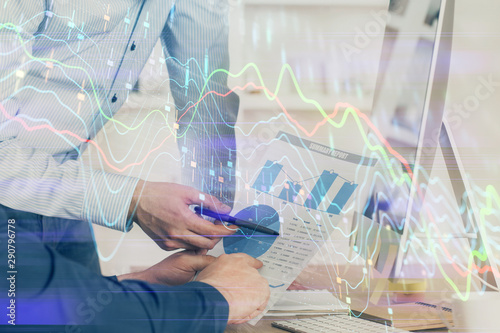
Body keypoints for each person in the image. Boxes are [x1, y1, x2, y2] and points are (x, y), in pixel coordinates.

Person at [0, 0, 268, 329]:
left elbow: (204, 94)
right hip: (12, 195)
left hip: (64, 197)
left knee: (90, 317)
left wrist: (215, 235)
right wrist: (134, 199)